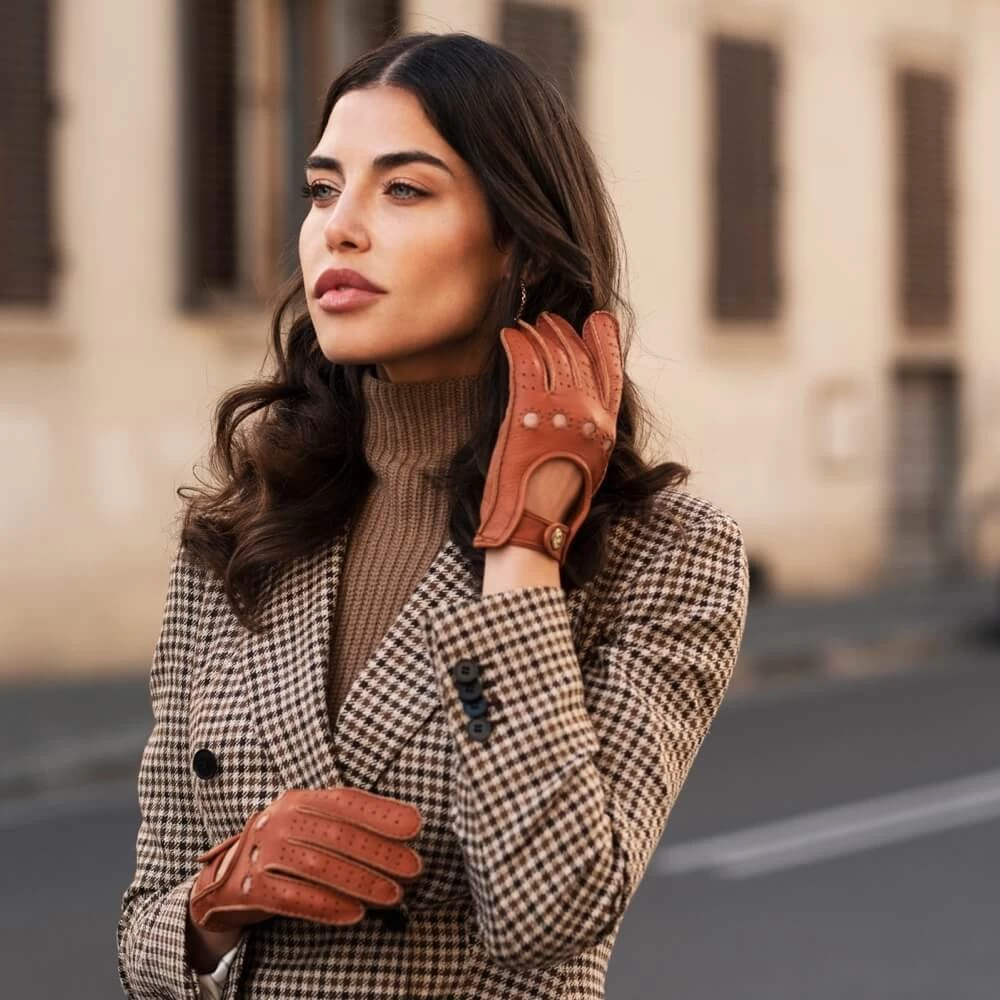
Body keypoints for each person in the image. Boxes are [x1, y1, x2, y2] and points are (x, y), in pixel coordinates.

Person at [116, 30, 750, 1000]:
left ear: (518, 244)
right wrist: (215, 901)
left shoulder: (660, 549)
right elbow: (140, 937)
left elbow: (550, 915)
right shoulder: (244, 527)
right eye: (322, 189)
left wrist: (526, 547)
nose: (339, 229)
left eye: (404, 189)